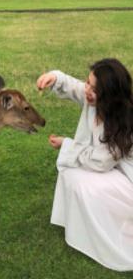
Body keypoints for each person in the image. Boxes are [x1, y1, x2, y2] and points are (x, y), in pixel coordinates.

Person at [37, 58, 133, 271]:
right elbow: (74, 87)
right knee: (72, 174)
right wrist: (55, 78)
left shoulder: (123, 122)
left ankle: (110, 229)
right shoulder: (95, 99)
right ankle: (85, 226)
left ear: (110, 96)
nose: (87, 90)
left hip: (128, 179)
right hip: (113, 169)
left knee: (81, 182)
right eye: (88, 82)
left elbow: (100, 162)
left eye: (94, 89)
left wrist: (66, 145)